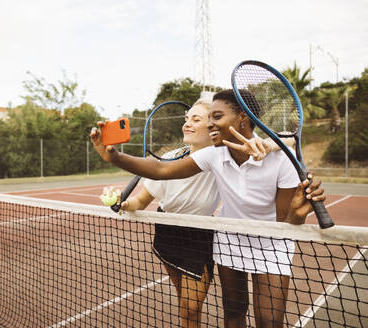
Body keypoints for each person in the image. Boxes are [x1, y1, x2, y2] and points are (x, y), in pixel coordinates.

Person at [91, 90, 325, 328]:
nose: (210, 123)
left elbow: (285, 221)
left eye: (216, 116)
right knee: (233, 314)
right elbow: (161, 170)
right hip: (230, 239)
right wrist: (115, 158)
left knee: (270, 321)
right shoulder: (214, 155)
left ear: (242, 118)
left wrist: (298, 212)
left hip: (272, 243)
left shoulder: (281, 158)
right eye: (209, 117)